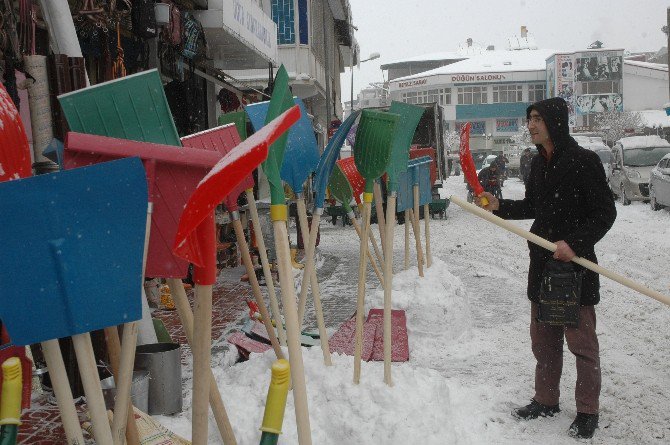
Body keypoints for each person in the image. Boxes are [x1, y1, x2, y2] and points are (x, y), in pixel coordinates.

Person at [475, 97, 616, 439]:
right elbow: (534, 206)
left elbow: (605, 213)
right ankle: (546, 399)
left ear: (554, 121)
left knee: (582, 343)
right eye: (530, 119)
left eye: (537, 118)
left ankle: (586, 410)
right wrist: (499, 206)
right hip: (542, 264)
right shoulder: (537, 165)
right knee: (544, 341)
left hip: (574, 267)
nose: (532, 125)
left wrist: (576, 244)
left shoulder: (584, 161)